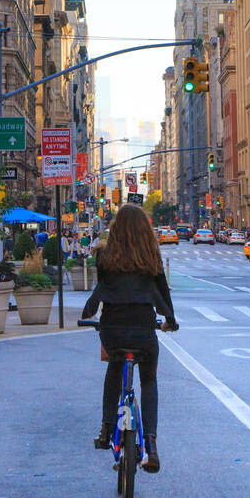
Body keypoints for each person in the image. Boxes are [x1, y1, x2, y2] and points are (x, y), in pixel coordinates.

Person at [82, 203, 178, 474]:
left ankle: (105, 430)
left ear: (116, 229)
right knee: (148, 381)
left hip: (112, 330)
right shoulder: (151, 258)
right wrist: (170, 321)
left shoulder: (104, 257)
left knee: (114, 369)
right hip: (143, 329)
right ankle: (151, 446)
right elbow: (164, 295)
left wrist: (90, 314)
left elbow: (102, 290)